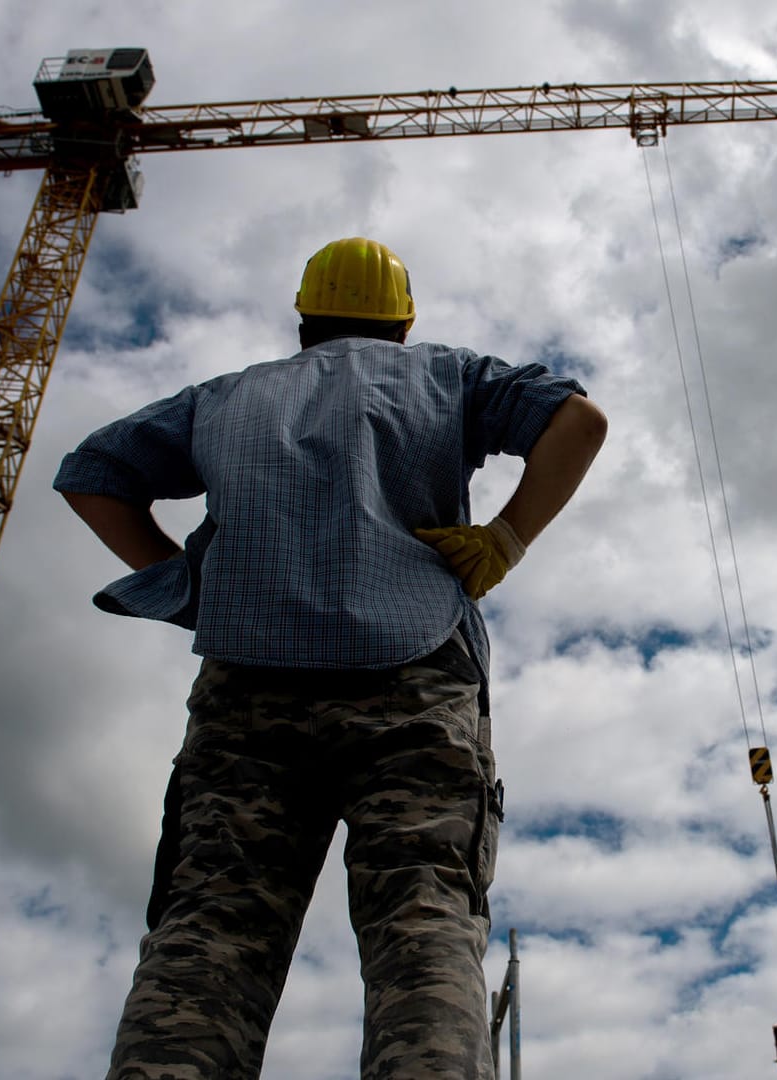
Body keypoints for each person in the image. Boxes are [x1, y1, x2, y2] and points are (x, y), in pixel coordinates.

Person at [52, 236, 607, 1079]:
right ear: (405, 319)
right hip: (415, 677)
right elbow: (579, 419)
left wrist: (184, 584)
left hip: (248, 687)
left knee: (209, 929)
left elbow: (92, 473)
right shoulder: (446, 375)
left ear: (304, 320)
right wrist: (505, 537)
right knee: (421, 920)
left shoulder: (225, 398)